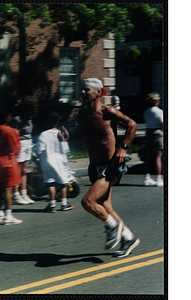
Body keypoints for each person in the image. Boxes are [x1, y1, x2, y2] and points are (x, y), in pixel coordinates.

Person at [74, 78, 140, 257]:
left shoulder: (107, 112)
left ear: (99, 92)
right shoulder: (81, 114)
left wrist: (124, 147)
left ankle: (113, 226)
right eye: (81, 90)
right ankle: (129, 238)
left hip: (110, 166)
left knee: (88, 202)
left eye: (86, 90)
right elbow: (80, 137)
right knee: (106, 207)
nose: (82, 93)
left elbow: (132, 125)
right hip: (94, 166)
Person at [37, 111, 74, 213]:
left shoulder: (43, 135)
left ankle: (52, 205)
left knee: (51, 183)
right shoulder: (60, 133)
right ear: (57, 122)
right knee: (62, 183)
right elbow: (66, 149)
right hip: (60, 161)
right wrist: (66, 139)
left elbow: (40, 150)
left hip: (48, 161)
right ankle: (64, 203)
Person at [0, 109, 23, 225]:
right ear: (6, 118)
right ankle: (8, 216)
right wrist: (17, 135)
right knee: (8, 189)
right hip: (9, 162)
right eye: (9, 115)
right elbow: (16, 149)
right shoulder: (10, 131)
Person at [11, 99, 34, 205]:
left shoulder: (29, 118)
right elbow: (12, 132)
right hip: (20, 143)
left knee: (24, 170)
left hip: (28, 143)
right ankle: (15, 194)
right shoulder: (17, 119)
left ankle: (24, 193)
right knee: (18, 170)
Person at [143, 93, 163, 187]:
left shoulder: (146, 111)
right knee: (158, 157)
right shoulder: (159, 111)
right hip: (157, 133)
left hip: (148, 132)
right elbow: (162, 123)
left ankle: (147, 178)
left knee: (148, 157)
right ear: (156, 102)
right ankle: (158, 179)